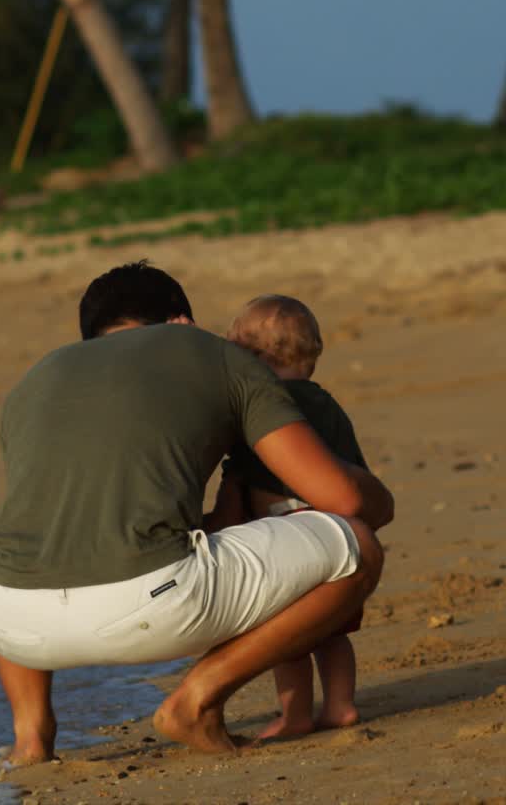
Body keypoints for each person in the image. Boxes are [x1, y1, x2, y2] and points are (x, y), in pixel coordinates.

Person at [0, 262, 394, 765]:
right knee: (357, 546)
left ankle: (30, 737)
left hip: (10, 624)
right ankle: (196, 700)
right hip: (150, 608)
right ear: (182, 322)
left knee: (13, 540)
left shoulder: (37, 376)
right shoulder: (209, 352)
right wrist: (379, 499)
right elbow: (341, 498)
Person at [207, 295, 371, 741]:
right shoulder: (329, 405)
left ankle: (296, 714)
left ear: (252, 358)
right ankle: (340, 705)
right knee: (333, 633)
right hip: (339, 534)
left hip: (286, 537)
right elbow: (354, 470)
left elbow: (240, 474)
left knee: (289, 638)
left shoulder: (263, 406)